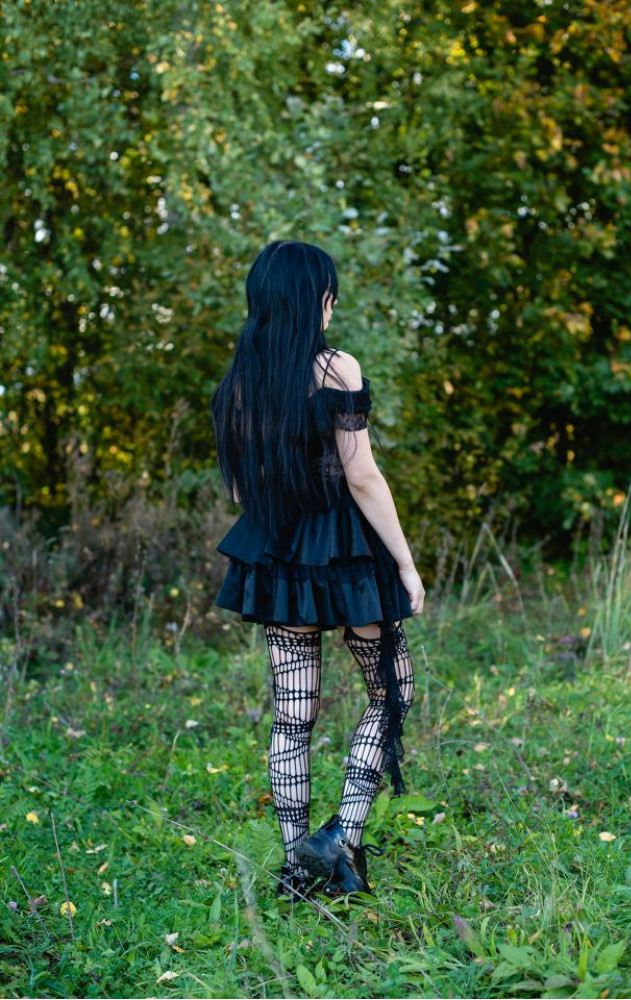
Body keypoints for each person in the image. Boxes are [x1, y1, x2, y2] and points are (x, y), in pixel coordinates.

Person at [210, 240, 425, 901]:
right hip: (349, 553)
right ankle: (340, 835)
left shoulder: (241, 382)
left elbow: (243, 490)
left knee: (292, 716)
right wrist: (405, 562)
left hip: (279, 553)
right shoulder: (334, 367)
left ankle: (297, 868)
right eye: (328, 294)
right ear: (312, 300)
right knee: (392, 691)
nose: (332, 306)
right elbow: (361, 476)